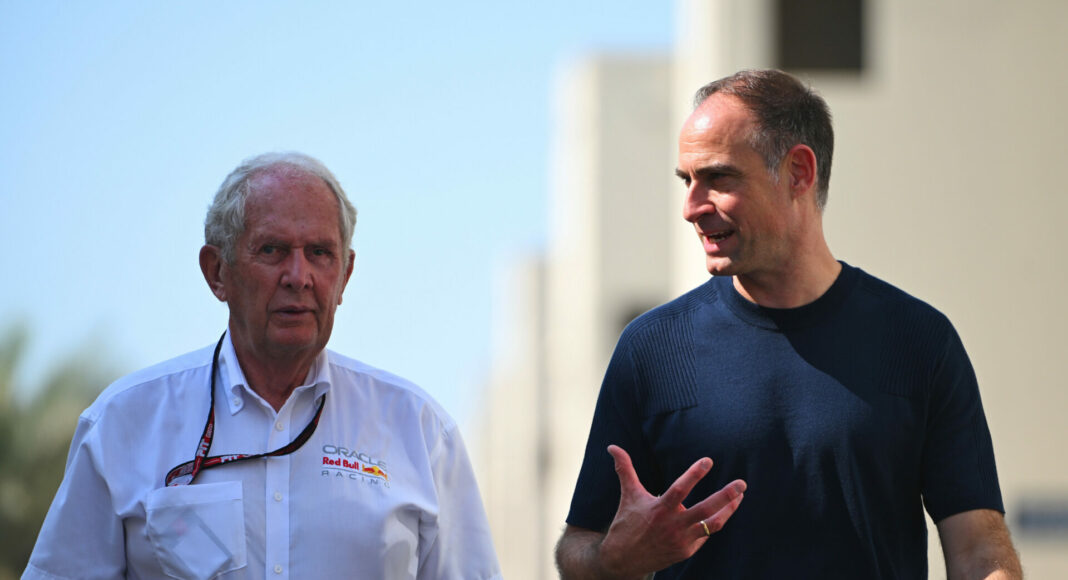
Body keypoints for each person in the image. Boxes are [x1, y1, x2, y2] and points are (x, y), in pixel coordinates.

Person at [555, 70, 1021, 578]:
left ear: (798, 172)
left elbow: (979, 552)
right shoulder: (653, 349)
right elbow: (579, 547)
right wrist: (615, 560)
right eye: (687, 180)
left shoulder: (918, 341)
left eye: (718, 178)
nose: (691, 207)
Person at [24, 152, 501, 579]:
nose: (299, 277)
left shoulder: (420, 430)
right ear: (217, 272)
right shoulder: (124, 423)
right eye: (272, 250)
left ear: (345, 275)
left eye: (319, 253)